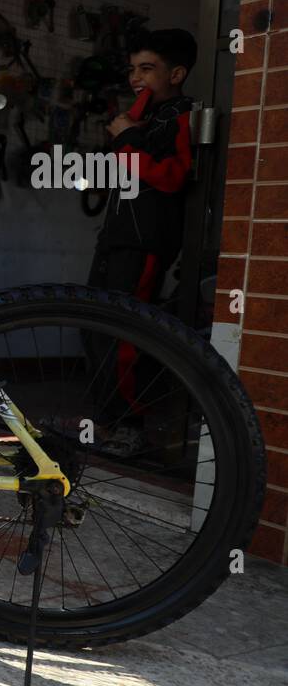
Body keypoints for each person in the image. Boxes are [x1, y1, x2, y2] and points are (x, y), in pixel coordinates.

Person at [86, 29, 197, 449]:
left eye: (147, 69)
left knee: (123, 335)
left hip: (146, 240)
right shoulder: (142, 115)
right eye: (133, 69)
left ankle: (130, 426)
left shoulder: (183, 115)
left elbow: (172, 178)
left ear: (177, 73)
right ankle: (106, 420)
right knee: (94, 329)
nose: (136, 77)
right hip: (116, 236)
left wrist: (128, 137)